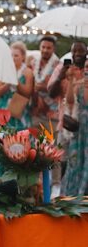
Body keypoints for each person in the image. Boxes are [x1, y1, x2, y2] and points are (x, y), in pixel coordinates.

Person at [0, 42, 34, 178]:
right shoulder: (2, 70)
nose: (13, 58)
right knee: (0, 141)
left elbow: (28, 92)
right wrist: (8, 82)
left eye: (16, 55)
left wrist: (16, 81)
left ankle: (18, 175)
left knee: (18, 142)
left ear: (22, 57)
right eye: (11, 55)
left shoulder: (27, 72)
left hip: (19, 110)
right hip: (3, 110)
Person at [61, 61, 88, 195]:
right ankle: (73, 197)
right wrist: (71, 80)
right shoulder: (79, 85)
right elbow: (70, 102)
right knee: (74, 163)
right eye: (87, 66)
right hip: (79, 133)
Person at [30, 35, 60, 127]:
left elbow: (61, 89)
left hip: (53, 113)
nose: (45, 50)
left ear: (53, 49)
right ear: (40, 47)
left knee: (51, 140)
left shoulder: (58, 66)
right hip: (36, 111)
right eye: (43, 47)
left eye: (48, 48)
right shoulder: (33, 63)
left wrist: (44, 87)